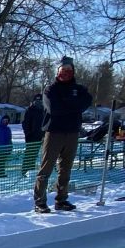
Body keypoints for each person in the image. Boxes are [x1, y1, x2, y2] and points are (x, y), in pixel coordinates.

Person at [33, 57, 92, 213]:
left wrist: (68, 103)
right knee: (46, 168)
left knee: (65, 168)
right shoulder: (50, 90)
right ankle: (40, 201)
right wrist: (73, 105)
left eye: (69, 70)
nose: (66, 73)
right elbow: (54, 109)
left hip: (72, 132)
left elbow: (86, 102)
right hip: (54, 133)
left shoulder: (79, 89)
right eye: (63, 70)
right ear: (57, 72)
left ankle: (62, 199)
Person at [19, 95, 46, 176]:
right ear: (33, 102)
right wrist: (28, 134)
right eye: (36, 101)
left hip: (43, 137)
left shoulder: (44, 111)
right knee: (29, 155)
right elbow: (25, 124)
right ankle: (25, 171)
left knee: (44, 155)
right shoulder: (30, 110)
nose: (38, 103)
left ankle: (34, 171)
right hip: (32, 137)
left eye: (40, 101)